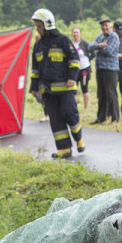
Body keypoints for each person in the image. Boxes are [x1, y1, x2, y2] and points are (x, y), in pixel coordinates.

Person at [28, 8, 84, 159]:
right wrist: (34, 87)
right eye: (37, 26)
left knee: (68, 112)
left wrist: (72, 77)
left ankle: (78, 137)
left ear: (47, 25)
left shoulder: (63, 40)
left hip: (66, 87)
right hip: (47, 90)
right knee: (55, 119)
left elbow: (75, 60)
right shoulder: (38, 46)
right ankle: (64, 148)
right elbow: (35, 69)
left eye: (39, 26)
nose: (38, 29)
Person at [90, 17, 120, 124]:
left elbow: (108, 50)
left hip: (110, 69)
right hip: (100, 69)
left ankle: (115, 118)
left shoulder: (114, 36)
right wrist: (99, 45)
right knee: (101, 94)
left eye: (106, 25)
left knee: (111, 93)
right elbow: (89, 46)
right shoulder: (100, 37)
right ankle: (101, 118)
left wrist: (97, 47)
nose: (104, 27)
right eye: (102, 25)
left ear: (110, 26)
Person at [70, 27, 92, 111]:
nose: (75, 34)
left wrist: (88, 60)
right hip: (74, 69)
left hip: (84, 68)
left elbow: (93, 52)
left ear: (80, 34)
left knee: (84, 87)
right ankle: (74, 107)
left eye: (77, 32)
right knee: (73, 89)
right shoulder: (70, 44)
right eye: (74, 32)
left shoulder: (84, 43)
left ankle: (86, 107)